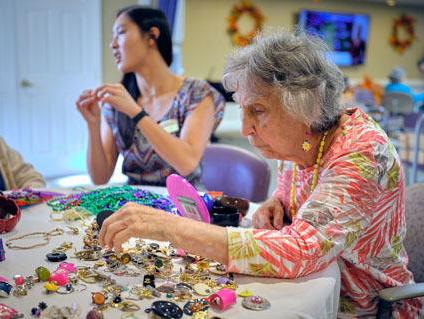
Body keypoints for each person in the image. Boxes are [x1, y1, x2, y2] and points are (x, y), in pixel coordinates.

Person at [98, 29, 422, 318]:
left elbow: (300, 250)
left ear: (305, 107)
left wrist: (170, 227)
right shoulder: (298, 142)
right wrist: (275, 200)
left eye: (258, 111)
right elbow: (308, 197)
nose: (244, 128)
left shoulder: (364, 151)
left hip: (367, 305)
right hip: (314, 284)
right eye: (243, 108)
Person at [76, 6, 225, 189]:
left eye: (121, 33)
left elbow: (187, 163)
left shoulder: (196, 94)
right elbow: (100, 178)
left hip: (183, 205)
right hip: (132, 204)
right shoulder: (117, 102)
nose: (112, 44)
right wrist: (93, 124)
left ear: (151, 36)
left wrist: (136, 113)